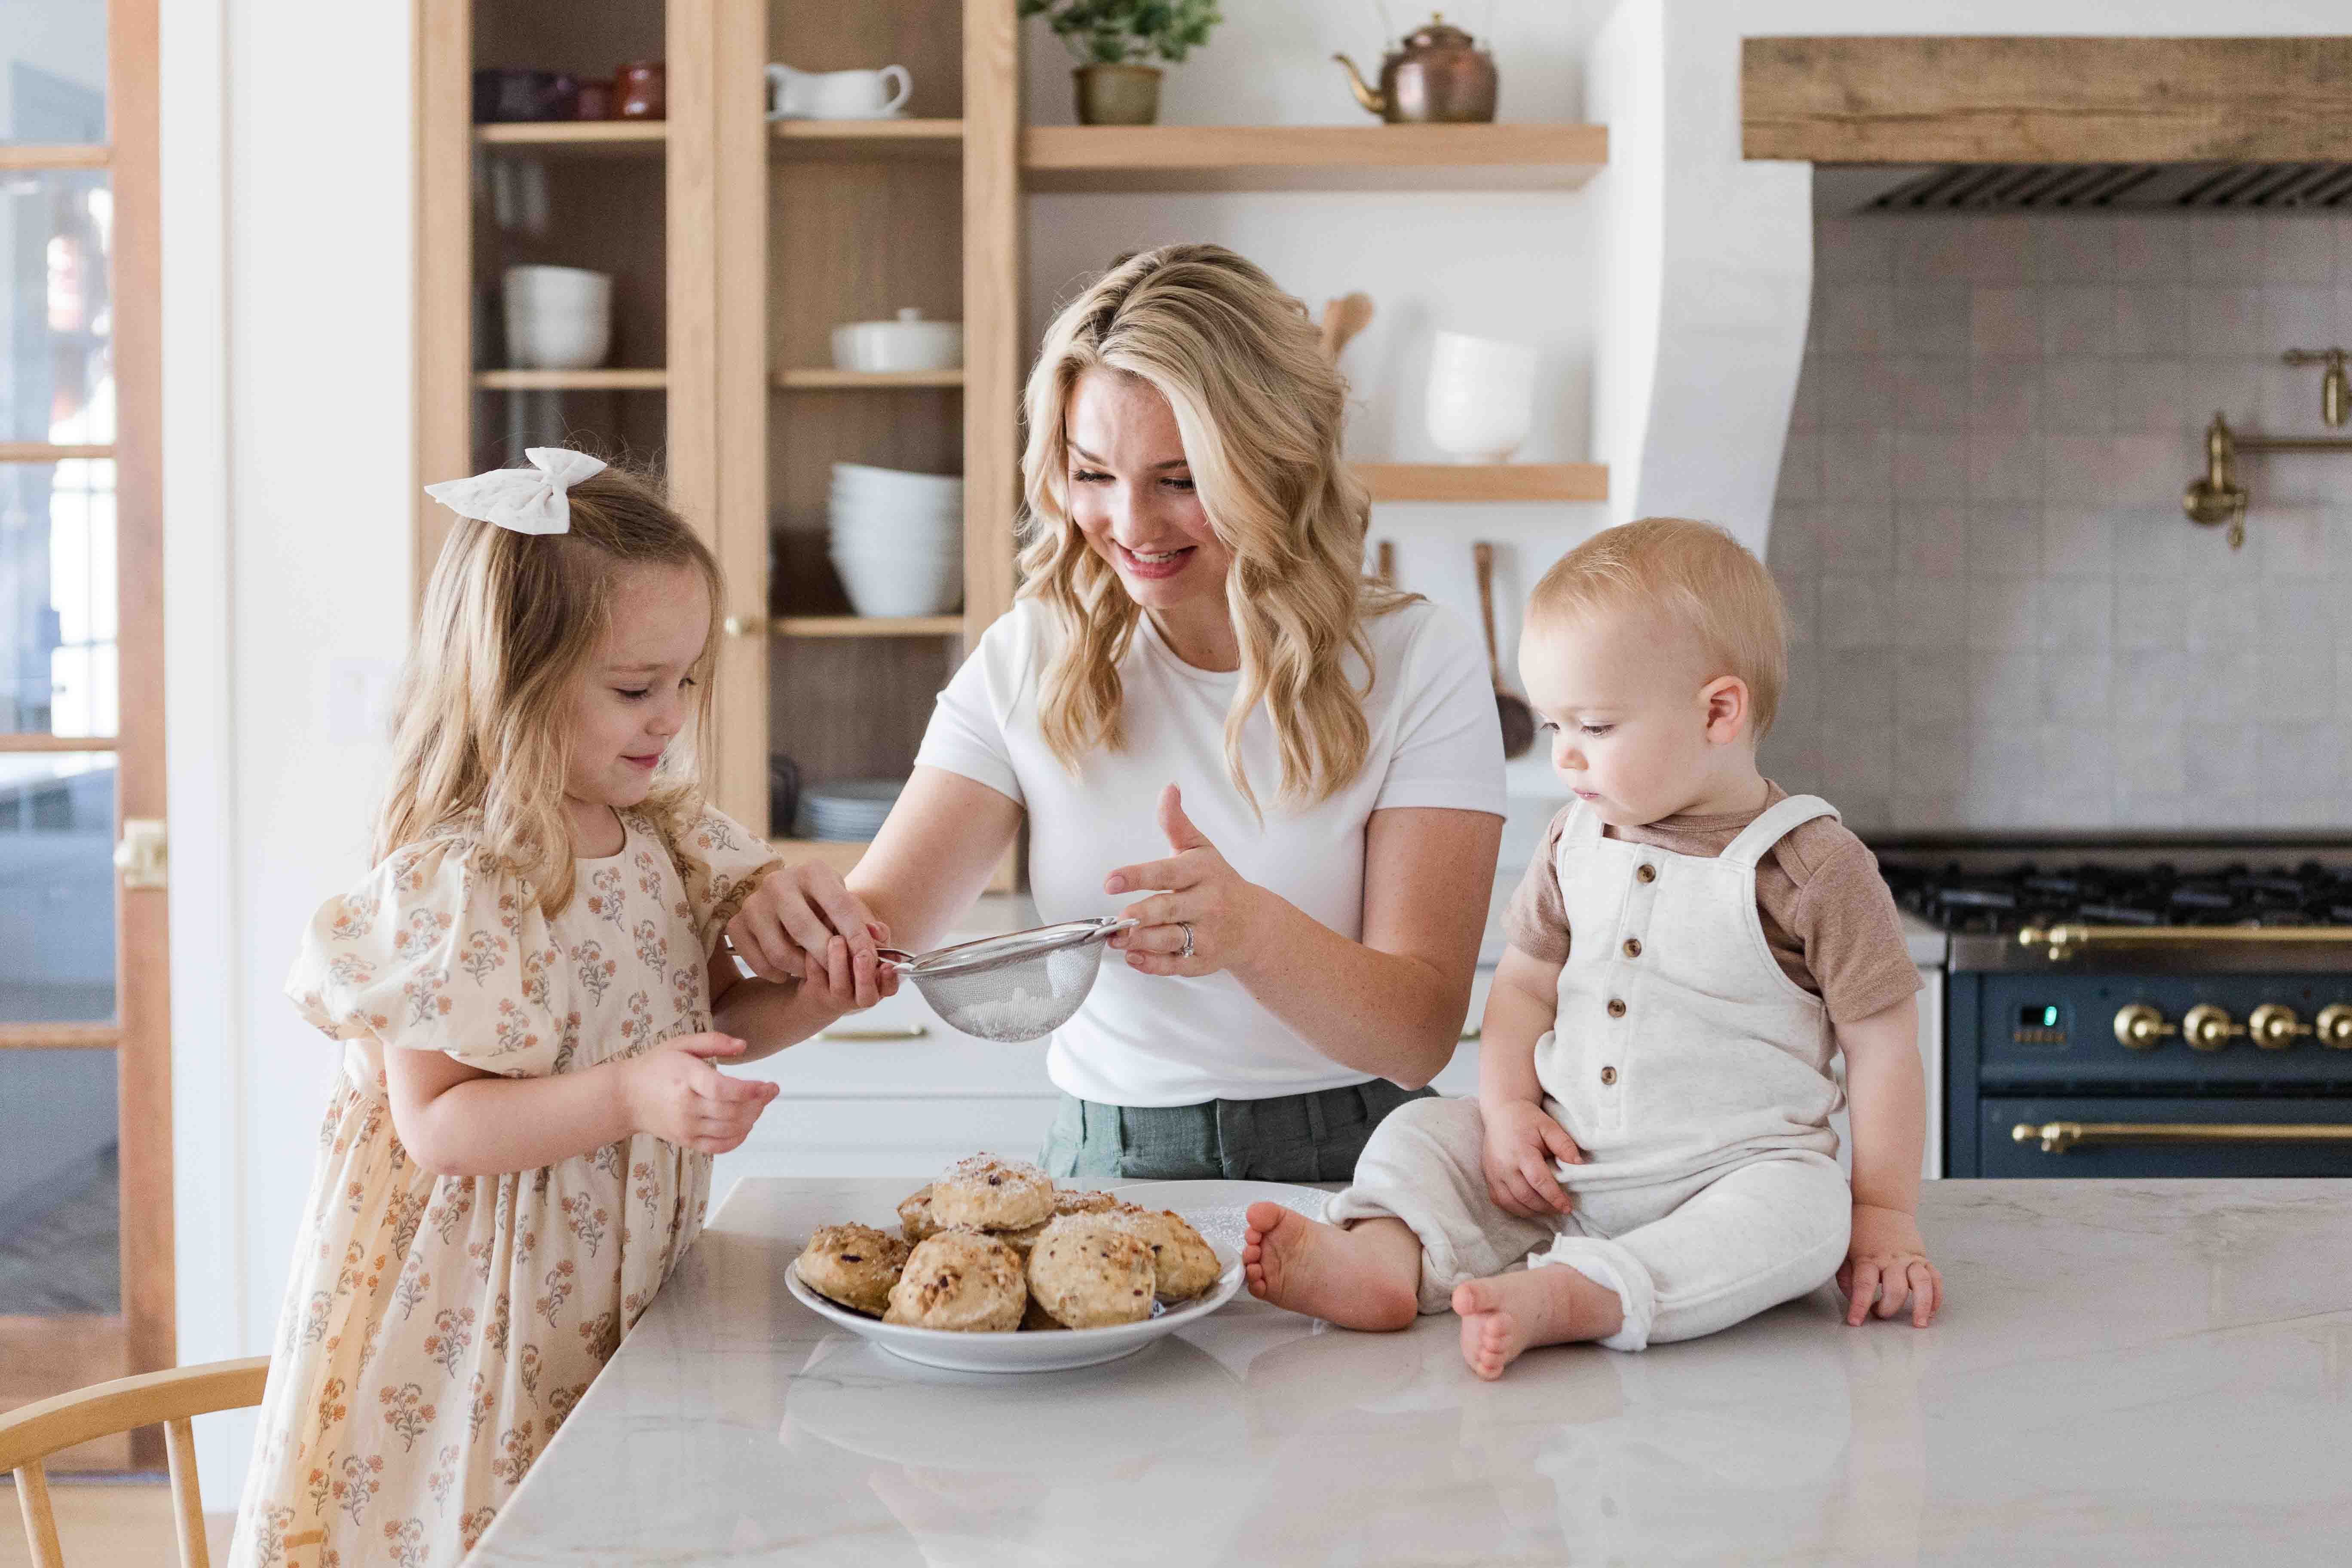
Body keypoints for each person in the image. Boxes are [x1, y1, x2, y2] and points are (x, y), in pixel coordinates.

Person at [230, 451, 890, 1566]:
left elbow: (704, 1024)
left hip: (608, 1294)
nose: (671, 719)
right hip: (483, 1319)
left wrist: (813, 1000)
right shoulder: (461, 880)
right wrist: (634, 1095)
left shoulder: (663, 839)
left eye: (686, 682)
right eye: (635, 689)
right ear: (513, 682)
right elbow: (440, 1124)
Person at [728, 244, 1507, 1181]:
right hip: (1108, 1168)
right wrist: (801, 927)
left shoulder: (1418, 660)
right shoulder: (1032, 656)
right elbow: (876, 931)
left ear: (1277, 464)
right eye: (1093, 474)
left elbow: (1418, 1035)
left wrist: (1252, 932)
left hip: (1363, 1168)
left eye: (1180, 480)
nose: (1132, 526)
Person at [1240, 517, 1942, 1378]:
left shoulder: (1815, 868)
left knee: (1806, 1213)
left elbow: (1885, 1052)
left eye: (1597, 727)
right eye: (1554, 725)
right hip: (1559, 1176)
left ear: (1719, 710)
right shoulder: (1571, 842)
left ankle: (1588, 1297)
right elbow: (1525, 989)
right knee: (1422, 1131)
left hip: (1727, 1180)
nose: (1566, 757)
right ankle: (1384, 1257)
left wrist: (1883, 1213)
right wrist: (1506, 1116)